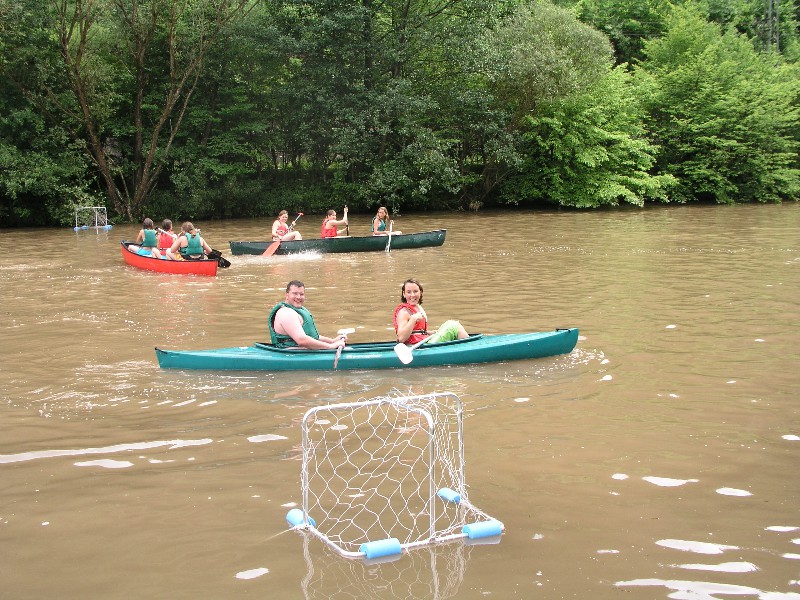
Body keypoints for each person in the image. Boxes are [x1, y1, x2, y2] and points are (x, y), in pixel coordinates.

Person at [268, 280, 349, 350]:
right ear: (287, 295)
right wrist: (330, 346)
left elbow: (311, 336)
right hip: (290, 352)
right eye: (295, 293)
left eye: (301, 294)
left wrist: (332, 341)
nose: (298, 297)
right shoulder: (286, 313)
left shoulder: (296, 310)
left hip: (301, 350)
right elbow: (302, 340)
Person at [393, 278, 468, 345]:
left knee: (450, 324)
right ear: (404, 294)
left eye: (415, 291)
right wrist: (413, 319)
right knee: (453, 325)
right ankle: (470, 346)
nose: (412, 295)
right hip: (418, 347)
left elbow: (416, 332)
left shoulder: (417, 308)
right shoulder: (403, 312)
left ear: (420, 292)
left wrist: (429, 333)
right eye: (409, 292)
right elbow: (401, 338)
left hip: (423, 342)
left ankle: (468, 345)